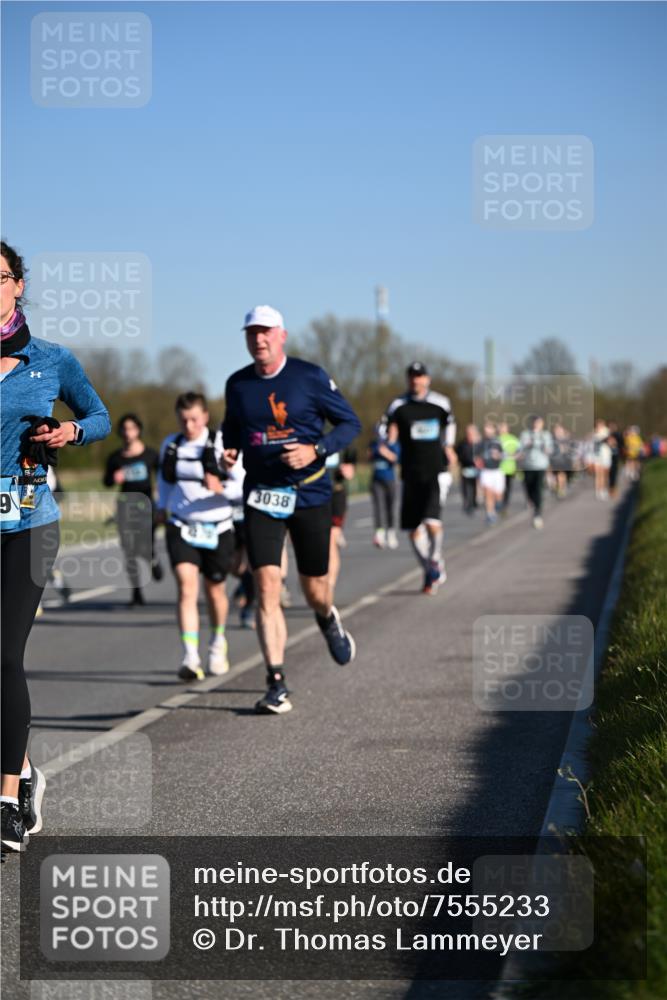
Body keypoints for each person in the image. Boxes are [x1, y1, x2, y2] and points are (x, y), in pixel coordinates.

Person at [0, 240, 110, 852]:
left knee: (3, 655)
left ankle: (5, 800)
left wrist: (69, 430)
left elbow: (100, 416)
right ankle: (25, 772)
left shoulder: (51, 359)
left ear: (18, 285)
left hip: (31, 525)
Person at [222, 305, 361, 715]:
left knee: (314, 589)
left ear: (282, 335)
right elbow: (232, 430)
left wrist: (316, 449)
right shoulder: (238, 385)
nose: (259, 339)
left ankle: (326, 616)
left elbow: (350, 424)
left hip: (309, 493)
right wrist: (228, 451)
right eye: (252, 333)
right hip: (262, 495)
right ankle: (276, 682)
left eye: (266, 332)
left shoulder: (309, 377)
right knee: (266, 586)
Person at [156, 392, 244, 681]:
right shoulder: (171, 444)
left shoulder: (222, 444)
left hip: (218, 527)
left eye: (194, 419)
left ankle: (217, 643)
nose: (189, 425)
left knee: (215, 591)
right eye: (183, 420)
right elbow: (164, 481)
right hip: (182, 525)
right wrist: (161, 508)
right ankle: (190, 656)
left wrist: (221, 488)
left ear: (205, 416)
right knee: (186, 587)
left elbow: (242, 485)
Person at [386, 361, 457, 595]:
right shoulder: (398, 405)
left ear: (427, 379)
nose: (415, 380)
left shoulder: (440, 403)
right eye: (412, 376)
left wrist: (449, 446)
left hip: (434, 471)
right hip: (409, 473)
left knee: (432, 522)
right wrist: (388, 439)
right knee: (413, 529)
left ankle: (434, 559)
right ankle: (429, 568)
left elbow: (450, 424)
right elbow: (386, 429)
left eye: (419, 376)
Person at [103, 413, 162, 606]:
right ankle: (137, 593)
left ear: (138, 430)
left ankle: (152, 558)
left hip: (146, 507)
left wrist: (160, 498)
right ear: (120, 432)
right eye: (124, 429)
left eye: (131, 428)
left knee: (144, 547)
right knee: (129, 551)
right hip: (125, 507)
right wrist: (114, 478)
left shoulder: (151, 455)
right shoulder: (115, 458)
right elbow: (106, 482)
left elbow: (163, 478)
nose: (128, 433)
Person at [327, 446, 357, 591]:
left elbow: (351, 460)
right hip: (312, 495)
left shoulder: (338, 436)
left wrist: (349, 469)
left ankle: (329, 588)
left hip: (336, 493)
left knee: (331, 540)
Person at [368, 418, 400, 548]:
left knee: (390, 507)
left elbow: (396, 458)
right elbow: (370, 456)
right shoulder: (374, 444)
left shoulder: (393, 444)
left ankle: (391, 533)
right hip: (376, 480)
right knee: (378, 507)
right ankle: (379, 534)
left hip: (390, 479)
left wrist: (385, 452)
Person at [517, 415, 552, 529]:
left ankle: (538, 514)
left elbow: (550, 449)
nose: (537, 425)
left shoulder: (546, 435)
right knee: (528, 487)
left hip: (540, 465)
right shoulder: (525, 434)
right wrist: (526, 446)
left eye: (539, 423)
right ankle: (532, 501)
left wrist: (545, 448)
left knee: (538, 489)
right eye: (535, 423)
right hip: (528, 465)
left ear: (542, 424)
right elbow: (520, 448)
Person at [476, 421, 505, 525]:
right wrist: (478, 464)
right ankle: (490, 514)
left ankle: (498, 506)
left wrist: (498, 456)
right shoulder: (481, 442)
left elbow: (504, 455)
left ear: (493, 430)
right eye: (486, 428)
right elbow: (476, 456)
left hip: (497, 471)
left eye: (489, 428)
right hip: (486, 471)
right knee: (488, 493)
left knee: (498, 495)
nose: (487, 430)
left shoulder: (498, 442)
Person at [455, 424, 480, 515]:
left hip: (477, 468)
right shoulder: (462, 443)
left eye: (472, 432)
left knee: (474, 486)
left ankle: (474, 502)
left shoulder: (479, 443)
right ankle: (467, 502)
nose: (470, 434)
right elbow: (457, 453)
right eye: (468, 432)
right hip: (465, 467)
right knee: (465, 486)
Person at [497, 421, 520, 512]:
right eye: (500, 428)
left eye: (504, 428)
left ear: (508, 429)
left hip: (510, 467)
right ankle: (499, 502)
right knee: (499, 487)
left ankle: (505, 503)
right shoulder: (496, 439)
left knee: (507, 487)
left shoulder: (513, 439)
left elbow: (520, 451)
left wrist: (515, 456)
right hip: (498, 468)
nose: (502, 429)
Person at [592, 420, 612, 500]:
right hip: (597, 455)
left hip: (605, 455)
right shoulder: (594, 433)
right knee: (598, 474)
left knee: (604, 474)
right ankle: (598, 491)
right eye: (598, 424)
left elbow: (610, 442)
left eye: (601, 424)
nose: (599, 426)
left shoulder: (607, 432)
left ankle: (603, 489)